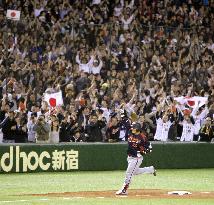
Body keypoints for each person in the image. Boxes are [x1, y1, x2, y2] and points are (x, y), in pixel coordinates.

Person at [116, 123, 156, 195]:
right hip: (130, 157)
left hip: (136, 158)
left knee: (128, 173)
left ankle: (124, 190)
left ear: (137, 129)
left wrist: (141, 152)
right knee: (134, 172)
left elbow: (150, 149)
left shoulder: (142, 137)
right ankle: (150, 169)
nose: (132, 129)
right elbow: (126, 122)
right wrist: (122, 113)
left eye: (133, 128)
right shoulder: (131, 133)